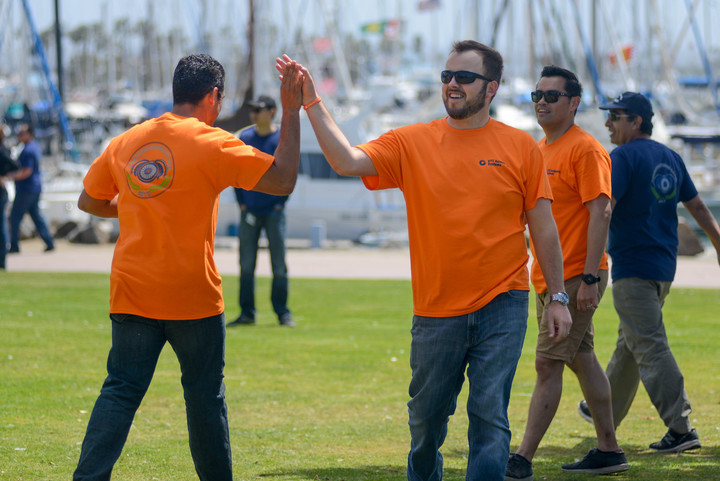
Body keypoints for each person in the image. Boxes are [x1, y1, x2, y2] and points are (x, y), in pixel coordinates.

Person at [280, 41, 572, 481]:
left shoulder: (522, 147)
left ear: (490, 88)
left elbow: (544, 228)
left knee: (489, 416)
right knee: (426, 424)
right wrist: (312, 103)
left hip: (504, 301)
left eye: (464, 78)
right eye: (446, 76)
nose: (452, 84)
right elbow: (345, 160)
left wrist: (558, 296)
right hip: (436, 309)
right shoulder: (412, 141)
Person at [72, 53, 303, 481]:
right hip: (192, 296)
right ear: (213, 96)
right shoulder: (212, 141)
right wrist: (291, 109)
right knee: (203, 399)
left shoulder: (128, 140)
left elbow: (88, 201)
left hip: (132, 291)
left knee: (120, 392)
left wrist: (140, 205)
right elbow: (283, 178)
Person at [577, 91, 720, 453]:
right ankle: (601, 408)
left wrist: (589, 271)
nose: (608, 123)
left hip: (633, 269)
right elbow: (698, 206)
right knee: (632, 343)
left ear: (636, 121)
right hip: (662, 269)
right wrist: (718, 246)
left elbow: (604, 210)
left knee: (649, 346)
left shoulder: (622, 157)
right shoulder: (670, 157)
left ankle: (681, 428)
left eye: (615, 116)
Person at [505, 67, 626, 480]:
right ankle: (609, 450)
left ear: (574, 103)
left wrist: (591, 277)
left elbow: (602, 210)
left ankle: (521, 458)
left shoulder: (585, 149)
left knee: (547, 364)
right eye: (536, 95)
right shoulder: (540, 149)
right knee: (583, 360)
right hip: (549, 278)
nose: (542, 102)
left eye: (551, 96)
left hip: (577, 276)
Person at [226, 94, 294, 328]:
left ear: (272, 112)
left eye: (260, 109)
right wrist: (242, 203)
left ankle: (283, 314)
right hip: (250, 211)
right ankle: (247, 314)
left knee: (279, 265)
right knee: (246, 264)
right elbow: (235, 170)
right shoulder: (244, 138)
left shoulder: (280, 139)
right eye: (252, 110)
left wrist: (279, 204)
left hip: (274, 212)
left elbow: (288, 173)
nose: (254, 113)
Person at [6, 123, 55, 253]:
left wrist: (11, 176)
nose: (19, 136)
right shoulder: (33, 147)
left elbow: (27, 171)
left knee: (15, 216)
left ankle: (14, 245)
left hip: (26, 189)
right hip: (34, 187)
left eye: (22, 133)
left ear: (30, 134)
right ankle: (49, 242)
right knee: (36, 216)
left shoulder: (28, 150)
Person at [0, 123, 18, 270]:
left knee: (1, 226)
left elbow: (15, 165)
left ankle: (2, 261)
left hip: (1, 194)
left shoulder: (2, 151)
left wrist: (4, 176)